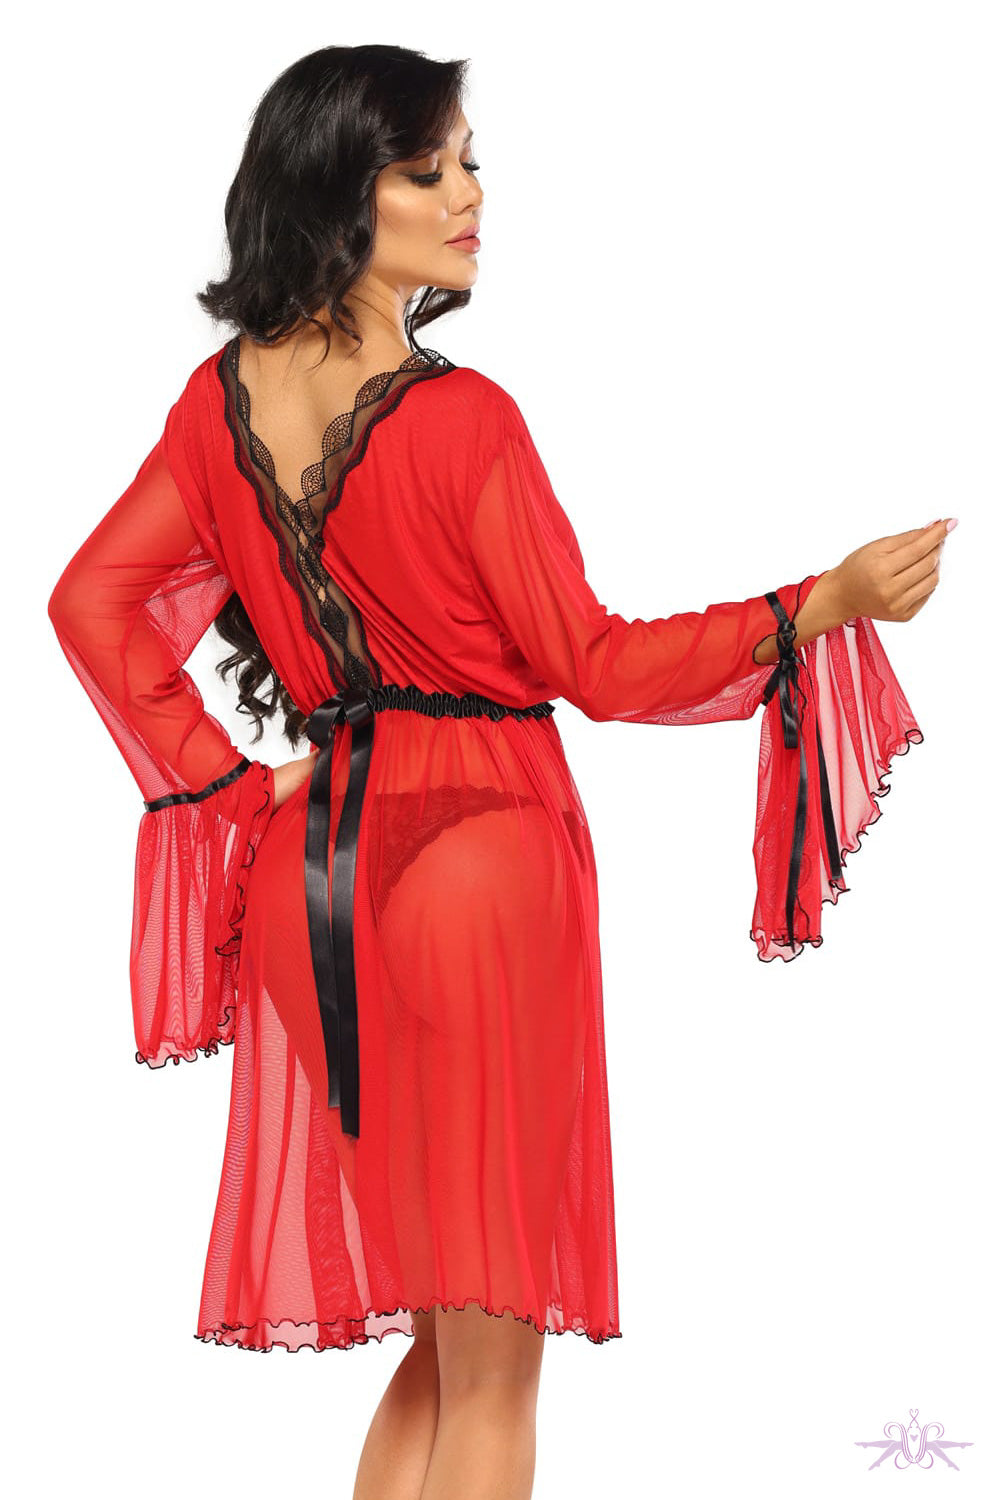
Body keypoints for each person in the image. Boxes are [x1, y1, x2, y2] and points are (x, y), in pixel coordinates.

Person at [46, 42, 951, 1500]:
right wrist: (816, 604)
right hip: (481, 856)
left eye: (470, 162)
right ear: (341, 195)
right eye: (429, 171)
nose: (469, 195)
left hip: (309, 887)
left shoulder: (214, 410)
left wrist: (234, 786)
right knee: (496, 1361)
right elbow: (594, 664)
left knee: (444, 1334)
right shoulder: (464, 421)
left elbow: (93, 603)